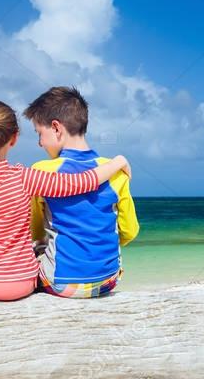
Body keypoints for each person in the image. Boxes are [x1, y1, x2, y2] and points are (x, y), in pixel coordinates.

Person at [0, 98, 131, 301]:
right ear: (14, 138)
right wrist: (117, 162)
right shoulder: (26, 177)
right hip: (22, 283)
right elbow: (81, 182)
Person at [24, 86, 139, 298]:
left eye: (40, 134)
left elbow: (35, 233)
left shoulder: (42, 171)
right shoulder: (116, 171)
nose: (40, 143)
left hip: (60, 284)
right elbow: (130, 231)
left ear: (56, 128)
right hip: (108, 280)